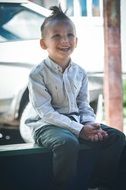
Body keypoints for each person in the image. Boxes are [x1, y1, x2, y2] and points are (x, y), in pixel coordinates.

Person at [20, 5, 126, 190]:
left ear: (76, 41)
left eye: (70, 35)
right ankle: (64, 186)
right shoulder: (37, 74)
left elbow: (83, 104)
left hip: (77, 122)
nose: (65, 40)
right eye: (57, 36)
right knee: (67, 143)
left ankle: (99, 185)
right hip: (46, 126)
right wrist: (80, 129)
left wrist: (90, 124)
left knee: (117, 137)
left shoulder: (80, 72)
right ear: (43, 43)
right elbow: (46, 112)